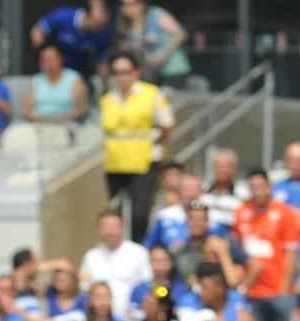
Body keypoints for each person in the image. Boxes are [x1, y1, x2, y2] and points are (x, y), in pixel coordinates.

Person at [100, 52, 174, 243]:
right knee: (115, 212)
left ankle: (139, 247)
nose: (121, 77)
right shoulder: (108, 99)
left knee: (140, 213)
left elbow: (167, 125)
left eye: (125, 72)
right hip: (115, 162)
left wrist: (154, 145)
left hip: (144, 160)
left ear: (136, 73)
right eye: (116, 72)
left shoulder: (152, 94)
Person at [233, 169, 300, 321]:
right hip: (252, 291)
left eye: (261, 186)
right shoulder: (242, 212)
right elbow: (239, 253)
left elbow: (291, 254)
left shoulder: (285, 213)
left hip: (277, 289)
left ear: (269, 187)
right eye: (253, 187)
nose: (257, 191)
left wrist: (284, 289)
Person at [81, 208, 152, 320]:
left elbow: (148, 286)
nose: (110, 231)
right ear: (99, 229)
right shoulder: (90, 257)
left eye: (113, 226)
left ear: (122, 227)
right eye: (105, 227)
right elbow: (85, 289)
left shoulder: (139, 253)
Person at [30, 0, 113, 86]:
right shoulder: (64, 16)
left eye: (102, 24)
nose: (99, 28)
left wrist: (104, 85)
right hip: (54, 70)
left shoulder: (102, 34)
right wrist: (43, 59)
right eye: (97, 24)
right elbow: (37, 31)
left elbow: (102, 62)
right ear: (86, 14)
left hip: (80, 74)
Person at [117, 0, 190, 88]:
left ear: (142, 4)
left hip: (172, 70)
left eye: (133, 3)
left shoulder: (155, 14)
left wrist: (162, 56)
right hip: (149, 74)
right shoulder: (127, 26)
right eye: (124, 5)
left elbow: (180, 34)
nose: (129, 8)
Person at [24, 43, 89, 124]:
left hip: (67, 123)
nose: (48, 63)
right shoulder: (35, 81)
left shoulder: (74, 78)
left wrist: (60, 119)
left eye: (51, 59)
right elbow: (26, 111)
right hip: (39, 124)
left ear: (60, 59)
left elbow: (82, 109)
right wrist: (43, 120)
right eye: (44, 60)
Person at [202, 148, 249, 232]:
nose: (222, 170)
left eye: (227, 166)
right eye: (219, 166)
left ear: (234, 169)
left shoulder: (243, 194)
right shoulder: (203, 190)